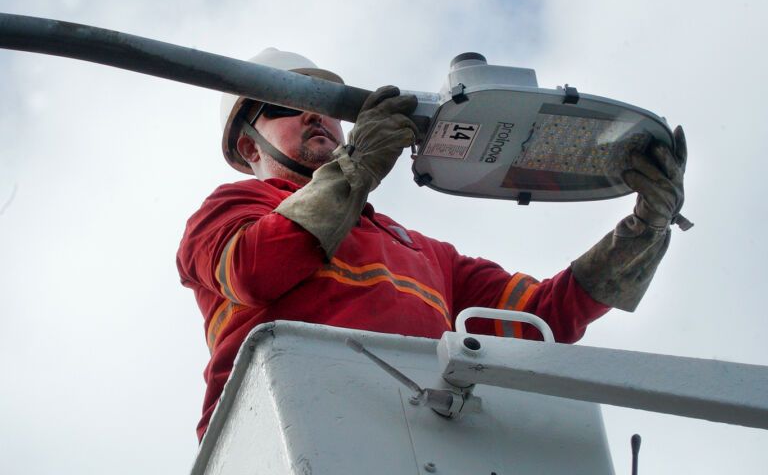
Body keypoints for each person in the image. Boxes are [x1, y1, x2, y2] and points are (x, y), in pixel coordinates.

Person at [177, 48, 687, 441]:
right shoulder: (229, 210)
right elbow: (255, 269)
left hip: (417, 441)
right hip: (281, 434)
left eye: (323, 106)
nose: (317, 117)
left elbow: (544, 317)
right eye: (289, 105)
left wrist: (646, 228)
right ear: (249, 146)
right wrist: (356, 168)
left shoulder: (426, 255)